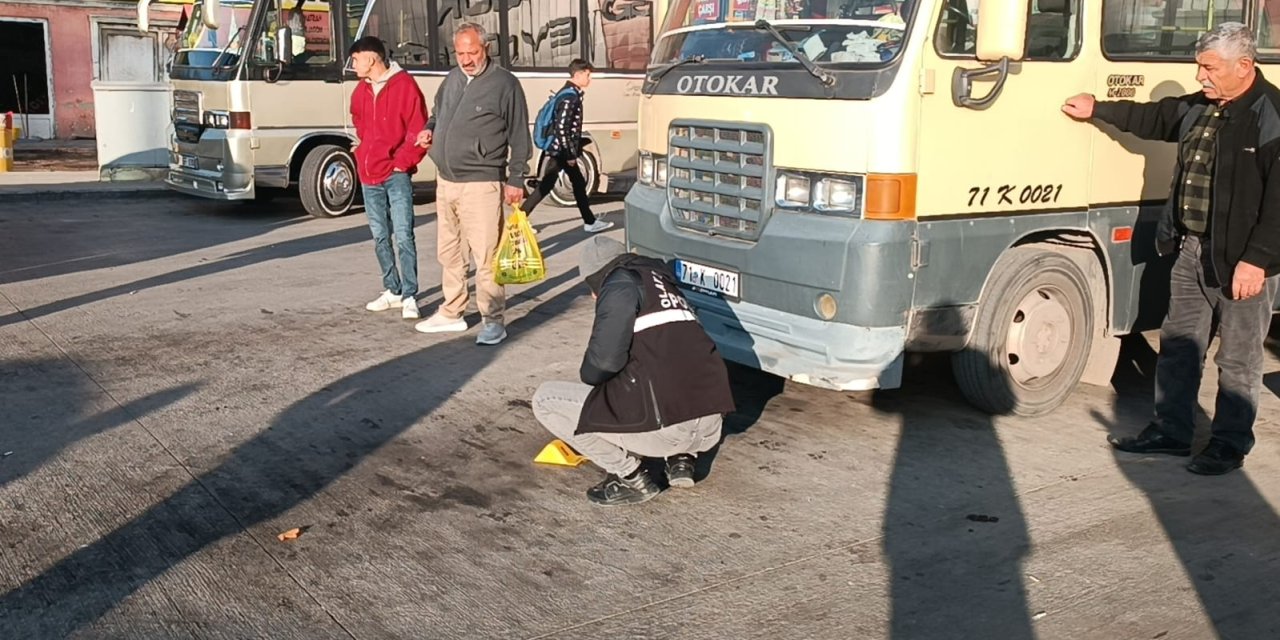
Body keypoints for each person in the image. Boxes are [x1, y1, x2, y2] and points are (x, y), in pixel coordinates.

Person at [1063, 22, 1280, 475]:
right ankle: (1172, 431)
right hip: (1191, 250)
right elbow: (1153, 117)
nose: (1201, 77)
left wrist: (1256, 260)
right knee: (1180, 346)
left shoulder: (1271, 114)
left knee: (1238, 357)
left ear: (1244, 66)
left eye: (1209, 68)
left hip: (1243, 262)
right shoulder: (1201, 107)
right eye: (1199, 67)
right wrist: (1096, 108)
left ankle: (1228, 443)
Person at [531, 236, 737, 506]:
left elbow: (599, 367)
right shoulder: (665, 285)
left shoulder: (619, 286)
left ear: (596, 281)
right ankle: (681, 462)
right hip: (711, 427)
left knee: (546, 400)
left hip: (671, 432)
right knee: (672, 364)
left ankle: (631, 477)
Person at [413, 22, 531, 346]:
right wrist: (428, 130)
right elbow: (437, 114)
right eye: (460, 53)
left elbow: (520, 136)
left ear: (486, 48)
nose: (466, 59)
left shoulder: (505, 84)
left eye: (472, 52)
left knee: (486, 256)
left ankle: (493, 320)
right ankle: (452, 312)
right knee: (449, 252)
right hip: (446, 180)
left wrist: (517, 178)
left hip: (481, 183)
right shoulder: (452, 79)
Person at [349, 36, 429, 320]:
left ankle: (410, 294)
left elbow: (419, 130)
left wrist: (402, 163)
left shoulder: (405, 86)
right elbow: (359, 122)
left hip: (396, 175)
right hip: (369, 175)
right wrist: (363, 149)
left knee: (404, 235)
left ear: (371, 58)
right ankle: (392, 289)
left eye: (356, 58)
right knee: (380, 236)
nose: (353, 64)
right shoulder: (360, 91)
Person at [522, 59, 613, 234]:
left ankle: (589, 221)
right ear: (578, 75)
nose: (589, 79)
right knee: (559, 184)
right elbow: (562, 128)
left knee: (567, 184)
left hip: (559, 149)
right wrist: (570, 155)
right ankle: (521, 218)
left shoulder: (568, 93)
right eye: (587, 75)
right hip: (561, 151)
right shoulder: (570, 97)